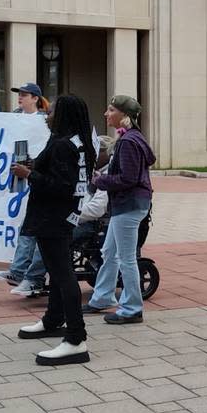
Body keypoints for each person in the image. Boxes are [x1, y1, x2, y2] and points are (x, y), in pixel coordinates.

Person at [11, 94, 94, 366]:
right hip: (64, 217)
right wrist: (37, 167)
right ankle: (53, 320)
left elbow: (61, 186)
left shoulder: (62, 145)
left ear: (64, 115)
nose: (47, 115)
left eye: (52, 112)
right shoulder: (75, 142)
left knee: (63, 275)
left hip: (52, 218)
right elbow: (66, 178)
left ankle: (75, 339)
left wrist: (29, 175)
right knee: (57, 272)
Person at [84, 95, 155, 324]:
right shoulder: (132, 138)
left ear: (124, 116)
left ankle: (132, 308)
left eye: (111, 109)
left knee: (126, 258)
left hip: (129, 205)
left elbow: (128, 178)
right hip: (127, 205)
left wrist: (100, 181)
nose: (106, 114)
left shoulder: (128, 142)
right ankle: (103, 297)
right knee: (109, 253)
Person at [0, 82, 52, 293]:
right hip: (19, 174)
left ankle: (25, 274)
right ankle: (19, 271)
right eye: (19, 94)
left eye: (25, 95)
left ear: (35, 98)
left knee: (31, 226)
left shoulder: (44, 121)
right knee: (26, 226)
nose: (20, 98)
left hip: (35, 175)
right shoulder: (14, 117)